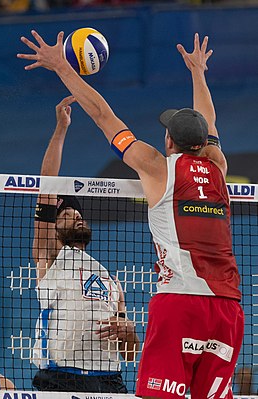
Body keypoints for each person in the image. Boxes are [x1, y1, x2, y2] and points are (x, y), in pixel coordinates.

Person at [18, 32, 244, 398]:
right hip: (229, 309)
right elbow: (209, 121)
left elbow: (103, 115)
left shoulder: (157, 167)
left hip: (181, 302)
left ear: (169, 141)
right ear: (203, 144)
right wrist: (199, 73)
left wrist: (61, 65)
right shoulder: (217, 165)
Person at [31, 96, 139, 392]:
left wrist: (128, 331)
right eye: (66, 215)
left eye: (79, 214)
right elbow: (47, 183)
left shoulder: (110, 279)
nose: (77, 218)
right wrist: (61, 129)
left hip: (109, 381)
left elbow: (130, 353)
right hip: (60, 377)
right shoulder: (50, 256)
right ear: (53, 226)